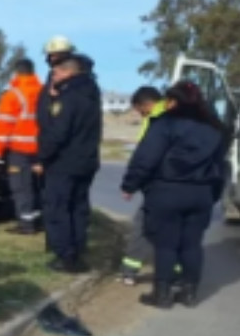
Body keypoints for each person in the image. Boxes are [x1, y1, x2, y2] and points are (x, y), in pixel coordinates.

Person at [120, 81, 228, 308]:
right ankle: (189, 293)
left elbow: (145, 159)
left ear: (175, 102)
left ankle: (162, 294)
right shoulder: (215, 129)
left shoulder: (165, 124)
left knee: (166, 245)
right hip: (201, 194)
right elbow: (221, 167)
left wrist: (130, 185)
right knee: (192, 244)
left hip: (168, 191)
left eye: (168, 100)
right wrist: (213, 195)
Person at [36, 55, 102, 273]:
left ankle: (65, 256)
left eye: (56, 72)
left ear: (68, 72)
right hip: (87, 161)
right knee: (78, 208)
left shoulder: (69, 96)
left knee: (57, 209)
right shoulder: (92, 93)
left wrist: (42, 158)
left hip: (63, 162)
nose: (52, 76)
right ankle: (77, 252)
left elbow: (57, 131)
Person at [119, 86, 168, 285]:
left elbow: (144, 157)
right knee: (172, 231)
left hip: (157, 184)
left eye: (139, 110)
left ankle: (129, 272)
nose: (140, 115)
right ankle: (173, 274)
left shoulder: (156, 120)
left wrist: (130, 184)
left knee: (143, 226)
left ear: (145, 104)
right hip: (178, 185)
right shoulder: (179, 116)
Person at [0, 57, 44, 234]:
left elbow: (4, 125)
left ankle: (26, 225)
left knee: (22, 188)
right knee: (37, 187)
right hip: (42, 150)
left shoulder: (13, 94)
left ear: (16, 72)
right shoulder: (44, 92)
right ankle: (38, 221)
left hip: (19, 150)